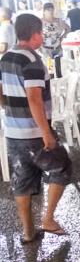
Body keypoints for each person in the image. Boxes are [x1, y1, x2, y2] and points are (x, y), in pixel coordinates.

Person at [0, 13, 72, 244]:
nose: (42, 36)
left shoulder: (5, 58)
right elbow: (34, 98)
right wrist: (46, 133)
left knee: (22, 180)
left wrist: (9, 107)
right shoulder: (32, 60)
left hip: (13, 131)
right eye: (40, 32)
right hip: (33, 133)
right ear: (34, 34)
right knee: (62, 167)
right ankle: (48, 219)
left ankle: (28, 232)